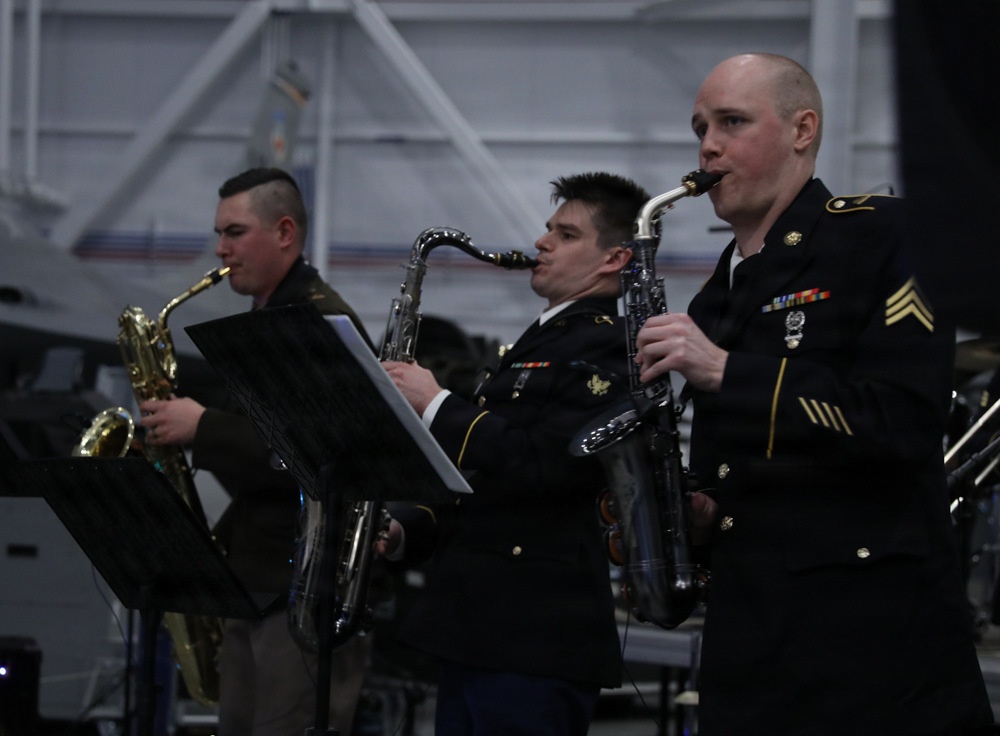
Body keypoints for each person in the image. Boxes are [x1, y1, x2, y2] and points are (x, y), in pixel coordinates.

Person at [633, 53, 995, 735]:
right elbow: (745, 468)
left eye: (732, 122)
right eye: (700, 127)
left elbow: (902, 421)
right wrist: (701, 514)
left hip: (868, 644)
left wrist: (726, 372)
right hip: (751, 636)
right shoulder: (717, 295)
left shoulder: (883, 234)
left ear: (804, 130)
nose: (708, 145)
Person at [377, 172, 650, 736]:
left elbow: (550, 463)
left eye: (567, 234)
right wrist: (409, 530)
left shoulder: (610, 345)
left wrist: (435, 403)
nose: (543, 241)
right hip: (481, 626)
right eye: (549, 228)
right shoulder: (539, 342)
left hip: (536, 634)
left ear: (615, 258)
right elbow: (485, 483)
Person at [139, 167, 374, 736]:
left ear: (285, 232)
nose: (221, 249)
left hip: (302, 590)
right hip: (260, 580)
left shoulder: (319, 322)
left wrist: (202, 427)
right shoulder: (268, 317)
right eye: (220, 233)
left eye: (235, 232)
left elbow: (323, 456)